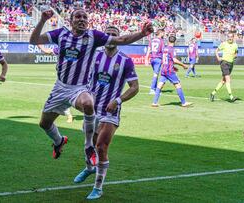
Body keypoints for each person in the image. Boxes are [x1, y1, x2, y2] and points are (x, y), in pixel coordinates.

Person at [29, 9, 153, 166]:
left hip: (79, 87)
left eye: (85, 17)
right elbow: (33, 40)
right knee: (44, 124)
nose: (82, 19)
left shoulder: (94, 36)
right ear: (70, 20)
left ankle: (88, 147)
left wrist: (142, 33)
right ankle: (59, 141)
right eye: (78, 17)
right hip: (60, 88)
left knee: (88, 104)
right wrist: (42, 21)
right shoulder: (60, 34)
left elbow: (121, 40)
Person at [73, 26, 139, 200]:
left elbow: (135, 87)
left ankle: (98, 187)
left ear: (119, 38)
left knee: (101, 147)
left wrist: (117, 100)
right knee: (91, 145)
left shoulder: (125, 61)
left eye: (114, 35)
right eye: (107, 34)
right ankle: (89, 168)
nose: (110, 37)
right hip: (92, 109)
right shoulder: (94, 55)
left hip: (111, 110)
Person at [151, 36, 193, 107]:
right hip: (169, 71)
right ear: (175, 42)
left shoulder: (165, 49)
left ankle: (154, 102)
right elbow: (174, 60)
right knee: (178, 85)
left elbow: (166, 59)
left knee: (160, 85)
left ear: (168, 41)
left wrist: (173, 66)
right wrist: (183, 65)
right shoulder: (172, 49)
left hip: (164, 69)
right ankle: (184, 103)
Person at [38, 44, 74, 123]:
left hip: (73, 80)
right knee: (65, 97)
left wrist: (38, 43)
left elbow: (47, 51)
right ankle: (69, 115)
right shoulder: (62, 47)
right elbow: (48, 51)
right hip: (63, 79)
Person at [210, 33, 238, 102]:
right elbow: (216, 50)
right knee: (228, 79)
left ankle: (213, 93)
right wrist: (218, 57)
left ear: (233, 37)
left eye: (231, 37)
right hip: (224, 63)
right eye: (229, 37)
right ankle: (231, 97)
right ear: (227, 37)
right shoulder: (224, 44)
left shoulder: (235, 45)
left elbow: (236, 53)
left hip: (231, 64)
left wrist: (234, 56)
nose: (230, 38)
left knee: (223, 81)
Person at [145, 29, 165, 94]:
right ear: (160, 33)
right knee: (156, 75)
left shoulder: (152, 40)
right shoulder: (161, 41)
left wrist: (146, 59)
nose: (164, 34)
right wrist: (164, 60)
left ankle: (155, 89)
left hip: (152, 59)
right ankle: (152, 89)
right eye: (163, 33)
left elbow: (148, 50)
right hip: (158, 58)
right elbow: (163, 51)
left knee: (156, 74)